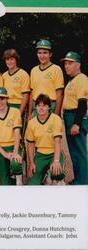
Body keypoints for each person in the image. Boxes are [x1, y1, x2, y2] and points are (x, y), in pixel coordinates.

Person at [61, 51, 88, 185]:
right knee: (74, 151)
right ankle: (78, 178)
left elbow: (82, 104)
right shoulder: (73, 80)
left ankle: (83, 182)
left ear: (78, 64)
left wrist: (76, 123)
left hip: (76, 115)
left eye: (70, 63)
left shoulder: (82, 78)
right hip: (69, 115)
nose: (67, 66)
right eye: (65, 63)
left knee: (79, 151)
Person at [26, 94, 65, 185]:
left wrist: (56, 161)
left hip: (54, 153)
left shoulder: (55, 119)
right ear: (35, 107)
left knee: (56, 172)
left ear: (49, 107)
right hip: (40, 155)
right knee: (32, 184)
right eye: (39, 105)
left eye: (44, 105)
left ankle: (60, 179)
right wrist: (31, 163)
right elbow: (30, 145)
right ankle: (44, 175)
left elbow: (57, 142)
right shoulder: (31, 123)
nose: (41, 108)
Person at [0, 87, 23, 185]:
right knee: (4, 182)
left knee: (15, 163)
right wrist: (4, 154)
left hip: (13, 145)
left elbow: (17, 133)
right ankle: (12, 178)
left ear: (7, 99)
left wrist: (15, 152)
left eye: (2, 98)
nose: (0, 102)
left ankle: (19, 182)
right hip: (0, 148)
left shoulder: (15, 112)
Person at [29, 39, 64, 118]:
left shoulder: (56, 69)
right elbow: (32, 93)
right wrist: (29, 114)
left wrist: (56, 114)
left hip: (50, 106)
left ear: (50, 54)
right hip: (36, 106)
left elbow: (59, 94)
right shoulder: (34, 70)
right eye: (39, 53)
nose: (42, 56)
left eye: (45, 53)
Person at [2, 49, 30, 136]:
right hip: (6, 107)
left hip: (18, 106)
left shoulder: (23, 74)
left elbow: (26, 96)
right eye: (7, 59)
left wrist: (19, 113)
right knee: (8, 135)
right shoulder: (4, 76)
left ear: (16, 60)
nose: (9, 62)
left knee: (19, 135)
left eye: (12, 59)